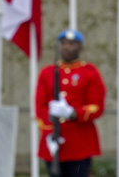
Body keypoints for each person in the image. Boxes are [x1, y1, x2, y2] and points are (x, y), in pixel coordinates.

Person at [35, 29, 106, 177]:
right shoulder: (47, 72)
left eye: (72, 44)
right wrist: (49, 133)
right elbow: (39, 106)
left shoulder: (89, 72)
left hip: (80, 144)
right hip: (54, 141)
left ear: (80, 47)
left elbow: (97, 106)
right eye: (64, 43)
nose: (66, 47)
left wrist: (72, 113)